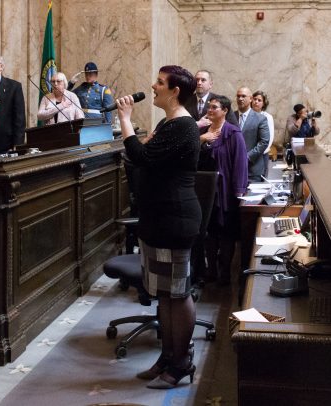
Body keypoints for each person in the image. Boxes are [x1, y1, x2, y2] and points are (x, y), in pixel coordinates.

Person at [115, 65, 201, 389]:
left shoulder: (183, 126)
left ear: (175, 90)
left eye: (160, 82)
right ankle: (167, 357)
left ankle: (181, 363)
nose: (153, 86)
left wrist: (125, 119)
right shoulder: (168, 122)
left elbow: (142, 157)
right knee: (164, 294)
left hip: (175, 219)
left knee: (177, 294)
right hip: (158, 218)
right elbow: (147, 155)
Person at [198, 95, 248, 286]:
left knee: (226, 233)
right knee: (209, 233)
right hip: (204, 191)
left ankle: (225, 272)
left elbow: (240, 163)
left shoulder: (233, 133)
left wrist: (239, 191)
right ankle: (211, 270)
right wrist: (202, 141)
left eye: (214, 107)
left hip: (225, 191)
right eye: (209, 107)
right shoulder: (202, 131)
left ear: (225, 111)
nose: (209, 110)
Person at [234, 87, 270, 182]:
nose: (240, 99)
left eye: (243, 96)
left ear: (250, 99)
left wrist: (247, 157)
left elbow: (264, 142)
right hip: (233, 168)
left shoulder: (260, 118)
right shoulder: (231, 117)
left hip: (252, 170)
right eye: (238, 96)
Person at [251, 91, 275, 175]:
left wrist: (260, 151)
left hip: (262, 153)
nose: (256, 102)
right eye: (254, 99)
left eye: (259, 100)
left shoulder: (267, 117)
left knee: (262, 177)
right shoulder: (246, 115)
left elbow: (270, 137)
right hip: (249, 153)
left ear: (264, 103)